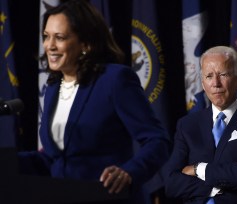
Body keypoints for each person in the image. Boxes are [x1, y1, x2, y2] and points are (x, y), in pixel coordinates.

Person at [18, 0, 170, 203]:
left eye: (59, 37)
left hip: (109, 198)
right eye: (46, 36)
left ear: (86, 44)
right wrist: (8, 162)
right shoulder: (54, 87)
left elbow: (158, 141)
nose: (49, 46)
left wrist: (129, 173)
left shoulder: (115, 80)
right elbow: (56, 159)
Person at [164, 46, 237, 204]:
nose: (216, 83)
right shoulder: (187, 125)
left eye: (223, 74)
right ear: (203, 84)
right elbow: (171, 183)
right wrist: (226, 177)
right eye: (209, 76)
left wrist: (198, 169)